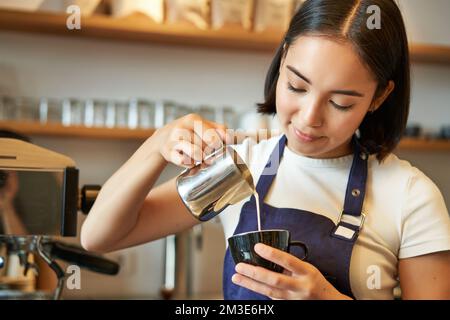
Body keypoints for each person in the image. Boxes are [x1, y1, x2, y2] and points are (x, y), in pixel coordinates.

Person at [80, 0, 450, 300]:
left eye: (340, 103)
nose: (309, 118)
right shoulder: (243, 165)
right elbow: (100, 236)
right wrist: (156, 146)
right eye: (296, 86)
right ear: (283, 57)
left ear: (379, 97)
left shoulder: (410, 195)